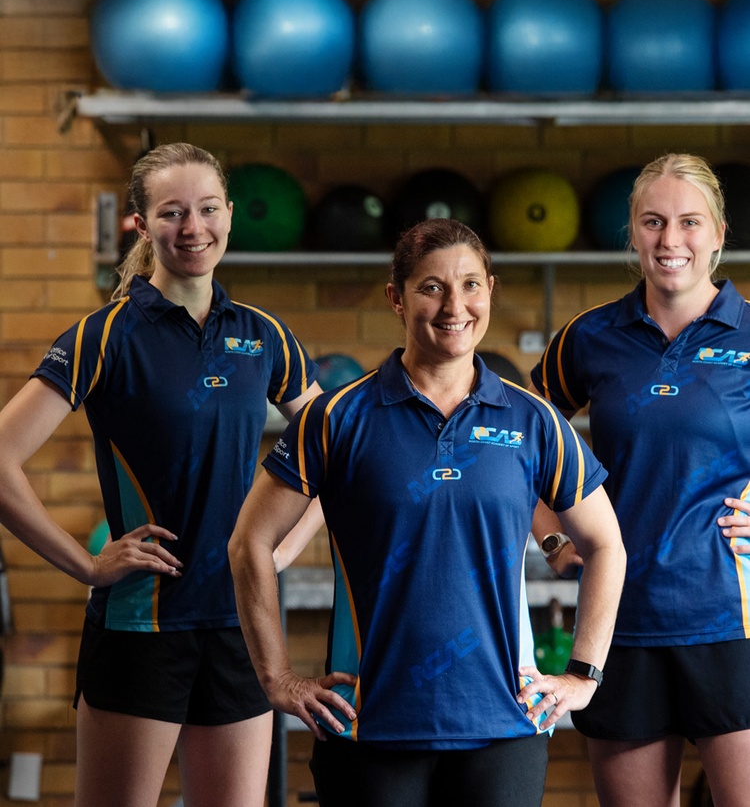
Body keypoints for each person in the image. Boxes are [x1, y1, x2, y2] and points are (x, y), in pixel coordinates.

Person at [229, 217, 626, 807]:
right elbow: (248, 544)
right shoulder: (336, 417)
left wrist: (583, 675)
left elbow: (606, 545)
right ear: (397, 297)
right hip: (368, 726)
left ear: (490, 290)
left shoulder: (534, 420)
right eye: (432, 287)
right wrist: (277, 678)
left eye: (471, 285)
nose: (454, 306)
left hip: (505, 725)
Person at [0, 142, 323, 807]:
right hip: (140, 628)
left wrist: (284, 549)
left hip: (240, 623)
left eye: (207, 209)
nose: (193, 228)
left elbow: (339, 451)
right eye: (172, 212)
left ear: (229, 214)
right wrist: (85, 566)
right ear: (142, 225)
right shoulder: (103, 336)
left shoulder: (263, 335)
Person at [530, 153, 750, 807]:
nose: (670, 239)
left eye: (689, 222)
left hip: (731, 623)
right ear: (632, 232)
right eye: (653, 222)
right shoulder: (590, 337)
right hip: (619, 623)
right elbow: (514, 442)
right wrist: (552, 540)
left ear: (719, 232)